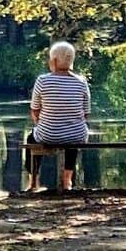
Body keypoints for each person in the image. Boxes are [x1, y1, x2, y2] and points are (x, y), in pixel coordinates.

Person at [24, 40, 91, 191]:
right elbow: (86, 113)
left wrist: (40, 123)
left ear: (53, 60)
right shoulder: (81, 82)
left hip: (48, 134)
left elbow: (34, 109)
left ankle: (33, 181)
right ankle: (67, 180)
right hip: (76, 134)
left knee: (31, 138)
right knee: (74, 136)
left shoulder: (42, 80)